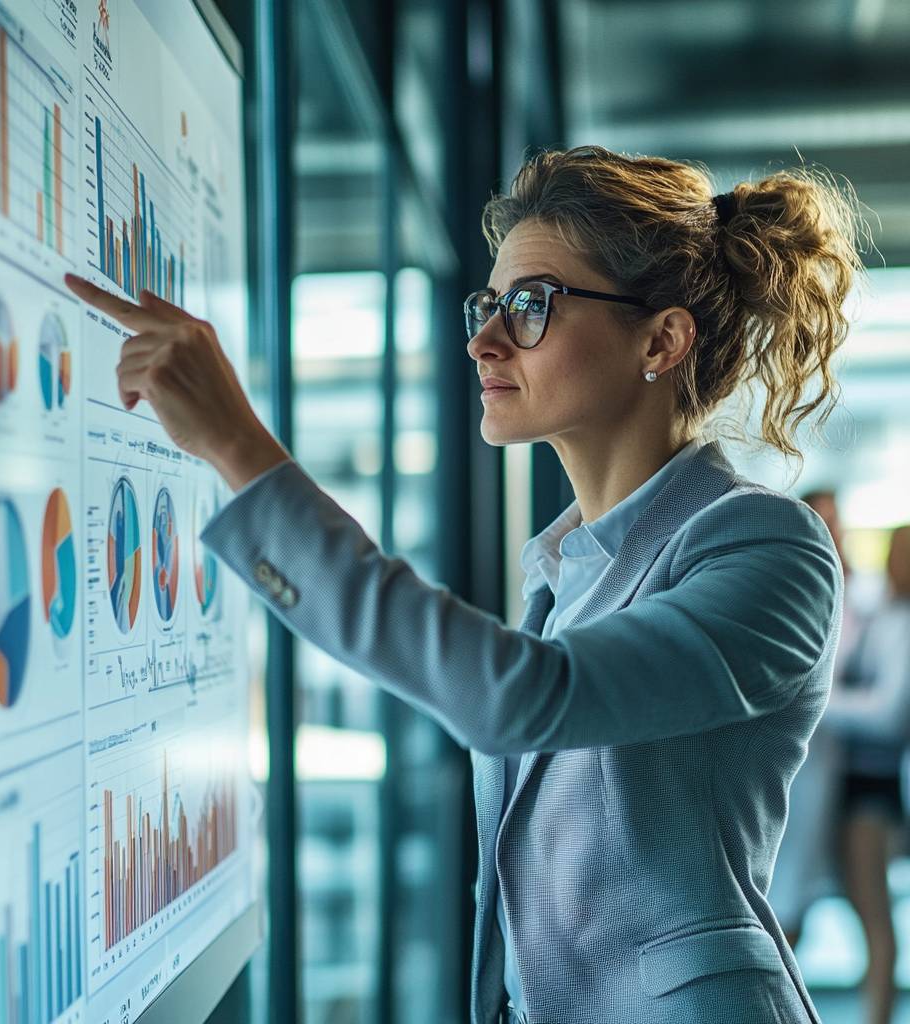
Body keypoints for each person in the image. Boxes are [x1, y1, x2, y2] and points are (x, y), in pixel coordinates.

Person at [65, 142, 868, 1024]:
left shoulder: (767, 546)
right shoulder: (564, 570)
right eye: (490, 304)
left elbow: (524, 698)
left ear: (662, 339)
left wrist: (242, 454)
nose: (484, 338)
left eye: (532, 306)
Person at [769, 489, 868, 952]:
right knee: (778, 884)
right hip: (790, 758)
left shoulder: (861, 603)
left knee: (797, 890)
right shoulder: (785, 584)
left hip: (825, 765)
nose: (832, 530)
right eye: (820, 518)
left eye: (836, 519)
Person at [822, 524, 910, 1024]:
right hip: (851, 783)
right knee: (862, 907)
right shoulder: (881, 615)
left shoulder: (904, 623)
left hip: (874, 790)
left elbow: (890, 714)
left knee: (873, 912)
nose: (890, 563)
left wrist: (820, 707)